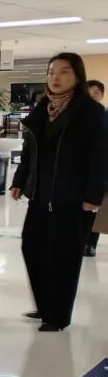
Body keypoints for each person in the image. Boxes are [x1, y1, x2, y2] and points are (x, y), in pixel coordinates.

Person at [10, 53, 105, 331]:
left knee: (63, 257)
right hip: (41, 192)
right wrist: (20, 179)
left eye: (64, 71)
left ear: (77, 75)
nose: (56, 77)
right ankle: (45, 305)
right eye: (52, 72)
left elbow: (102, 156)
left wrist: (93, 195)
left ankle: (58, 316)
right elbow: (30, 149)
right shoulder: (43, 107)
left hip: (73, 196)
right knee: (32, 246)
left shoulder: (90, 111)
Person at [83, 79, 106, 257]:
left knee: (94, 210)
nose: (92, 96)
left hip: (99, 171)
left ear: (102, 96)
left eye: (96, 92)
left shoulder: (105, 117)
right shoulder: (77, 118)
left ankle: (90, 244)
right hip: (79, 172)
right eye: (89, 93)